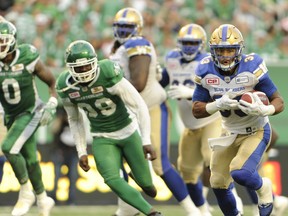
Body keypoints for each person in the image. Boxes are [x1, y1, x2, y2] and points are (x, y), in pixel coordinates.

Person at [109, 7, 201, 216]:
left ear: (138, 29)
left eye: (128, 27)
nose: (123, 32)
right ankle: (126, 208)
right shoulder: (117, 48)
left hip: (151, 109)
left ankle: (192, 210)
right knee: (120, 160)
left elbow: (139, 83)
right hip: (129, 113)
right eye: (120, 27)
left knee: (160, 165)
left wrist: (109, 90)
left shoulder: (138, 45)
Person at [56, 39, 162, 216]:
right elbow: (74, 120)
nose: (83, 72)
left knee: (150, 188)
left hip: (128, 130)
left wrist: (145, 139)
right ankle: (151, 213)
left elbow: (138, 105)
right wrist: (81, 150)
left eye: (86, 66)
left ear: (95, 63)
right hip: (102, 136)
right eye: (78, 68)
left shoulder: (107, 72)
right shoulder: (65, 86)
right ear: (70, 68)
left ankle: (141, 182)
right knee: (112, 179)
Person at [192, 23, 285, 216]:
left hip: (256, 130)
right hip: (229, 132)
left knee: (240, 172)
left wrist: (264, 109)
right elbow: (197, 109)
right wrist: (216, 105)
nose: (225, 56)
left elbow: (279, 101)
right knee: (217, 182)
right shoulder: (205, 69)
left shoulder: (252, 66)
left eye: (229, 50)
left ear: (239, 50)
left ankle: (264, 187)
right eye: (221, 50)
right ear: (212, 51)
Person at [0, 20, 57, 216]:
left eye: (3, 41)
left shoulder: (27, 56)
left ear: (13, 41)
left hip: (31, 111)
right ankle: (43, 199)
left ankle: (26, 193)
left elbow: (51, 81)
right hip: (11, 115)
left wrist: (52, 103)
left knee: (8, 147)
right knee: (31, 160)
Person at [49, 106, 79, 205]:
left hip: (72, 152)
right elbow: (53, 130)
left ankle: (71, 200)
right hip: (59, 151)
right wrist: (60, 118)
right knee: (57, 175)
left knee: (73, 176)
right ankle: (54, 199)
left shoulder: (75, 121)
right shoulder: (59, 121)